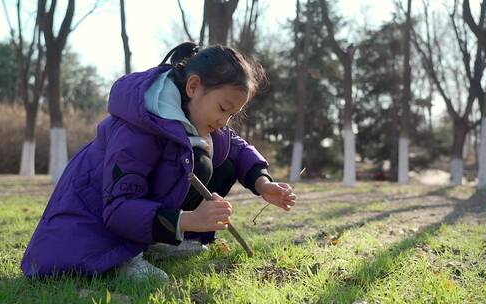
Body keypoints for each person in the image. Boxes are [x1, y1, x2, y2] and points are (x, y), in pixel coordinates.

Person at [21, 42, 297, 281]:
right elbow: (118, 208)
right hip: (91, 228)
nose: (224, 122)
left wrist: (263, 183)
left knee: (217, 161)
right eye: (223, 109)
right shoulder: (138, 128)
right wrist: (188, 220)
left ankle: (156, 242)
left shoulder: (194, 115)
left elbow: (235, 146)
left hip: (127, 213)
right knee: (195, 163)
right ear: (193, 86)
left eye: (232, 115)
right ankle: (124, 258)